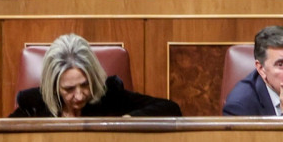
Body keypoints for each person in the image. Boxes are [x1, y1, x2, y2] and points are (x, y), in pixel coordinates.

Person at [10, 34, 181, 118]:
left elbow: (170, 108)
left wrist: (127, 120)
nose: (79, 95)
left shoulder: (109, 95)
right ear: (55, 86)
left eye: (85, 85)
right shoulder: (34, 106)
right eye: (69, 89)